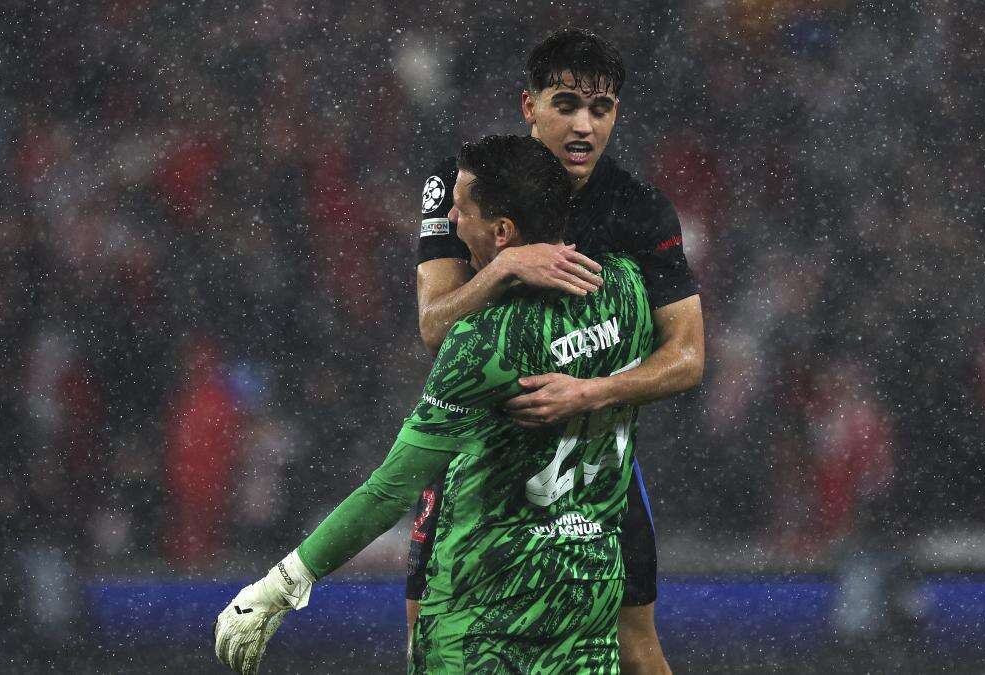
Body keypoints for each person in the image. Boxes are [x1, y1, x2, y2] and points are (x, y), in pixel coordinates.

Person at [215, 135, 655, 674]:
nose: (449, 216)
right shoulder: (629, 290)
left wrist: (278, 588)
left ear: (502, 233)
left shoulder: (485, 342)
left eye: (461, 209)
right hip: (584, 611)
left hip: (484, 617)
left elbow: (389, 490)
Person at [410, 27, 704, 674]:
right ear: (529, 106)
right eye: (565, 103)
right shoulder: (461, 183)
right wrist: (506, 266)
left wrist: (589, 392)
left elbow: (688, 355)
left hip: (588, 456)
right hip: (476, 449)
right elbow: (437, 328)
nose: (583, 125)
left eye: (600, 109)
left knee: (635, 643)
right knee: (430, 632)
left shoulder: (638, 211)